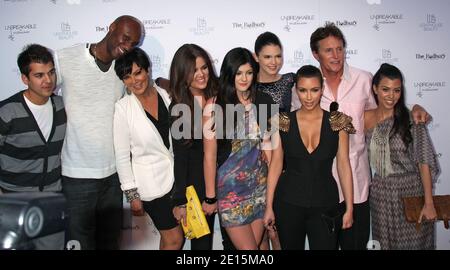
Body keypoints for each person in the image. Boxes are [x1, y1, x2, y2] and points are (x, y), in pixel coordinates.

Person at [292, 22, 430, 250]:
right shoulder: (305, 87)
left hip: (357, 184)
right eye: (329, 50)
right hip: (320, 187)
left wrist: (415, 107)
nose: (336, 56)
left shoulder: (364, 80)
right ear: (315, 54)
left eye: (340, 48)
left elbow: (388, 108)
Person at [55, 15, 143, 250]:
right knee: (78, 244)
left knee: (109, 243)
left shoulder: (122, 69)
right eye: (125, 38)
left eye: (133, 44)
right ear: (111, 27)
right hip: (77, 175)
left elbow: (141, 92)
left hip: (112, 176)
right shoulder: (66, 57)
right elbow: (40, 89)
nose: (127, 47)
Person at [264, 65, 354, 250]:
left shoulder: (338, 122)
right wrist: (269, 206)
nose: (309, 97)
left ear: (322, 89)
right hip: (288, 202)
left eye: (314, 90)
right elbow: (276, 164)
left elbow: (344, 165)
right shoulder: (282, 121)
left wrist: (350, 207)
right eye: (303, 90)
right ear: (296, 91)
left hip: (326, 203)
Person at [203, 47, 275, 250]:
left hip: (259, 187)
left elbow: (268, 147)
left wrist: (271, 188)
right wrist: (210, 197)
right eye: (239, 73)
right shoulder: (214, 105)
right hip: (231, 191)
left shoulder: (261, 102)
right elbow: (210, 156)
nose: (244, 78)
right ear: (229, 74)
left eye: (249, 72)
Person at [113, 48, 183, 250]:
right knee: (174, 239)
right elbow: (122, 156)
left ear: (147, 70)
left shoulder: (168, 95)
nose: (134, 81)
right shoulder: (123, 108)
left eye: (137, 73)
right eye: (127, 77)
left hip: (177, 179)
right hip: (151, 185)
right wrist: (132, 196)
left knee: (173, 237)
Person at [364, 63, 439, 250]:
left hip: (412, 193)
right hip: (381, 195)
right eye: (385, 89)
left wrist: (429, 203)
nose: (391, 96)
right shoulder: (364, 118)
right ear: (375, 89)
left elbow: (424, 161)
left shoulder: (412, 119)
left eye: (396, 90)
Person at [0, 44, 66, 249]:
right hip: (13, 202)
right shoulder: (7, 112)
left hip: (52, 201)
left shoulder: (62, 106)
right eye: (39, 75)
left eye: (51, 72)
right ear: (24, 79)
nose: (48, 80)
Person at [169, 44, 219, 250]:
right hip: (197, 188)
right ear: (183, 73)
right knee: (202, 247)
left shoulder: (220, 96)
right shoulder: (179, 108)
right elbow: (181, 158)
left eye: (204, 68)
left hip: (227, 181)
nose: (201, 74)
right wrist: (180, 200)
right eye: (194, 70)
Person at [254, 31, 295, 113]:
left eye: (278, 56)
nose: (273, 62)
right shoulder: (249, 85)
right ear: (256, 57)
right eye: (267, 57)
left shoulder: (291, 80)